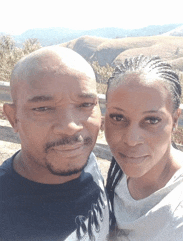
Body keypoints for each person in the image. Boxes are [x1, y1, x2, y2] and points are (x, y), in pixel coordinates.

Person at [105, 55, 183, 241]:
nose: (131, 140)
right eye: (118, 118)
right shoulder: (117, 173)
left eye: (151, 120)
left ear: (175, 120)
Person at [1, 46, 109, 241]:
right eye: (43, 108)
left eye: (85, 105)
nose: (70, 127)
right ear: (13, 118)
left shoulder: (85, 158)